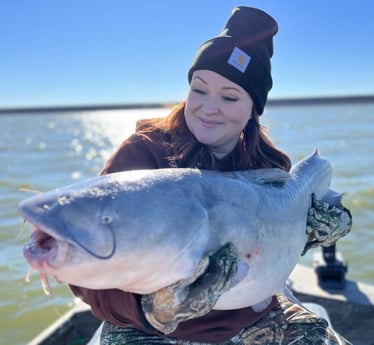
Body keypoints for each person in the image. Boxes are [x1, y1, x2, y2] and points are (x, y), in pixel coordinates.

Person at [70, 6, 352, 345]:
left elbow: (273, 253)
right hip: (144, 326)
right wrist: (151, 309)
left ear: (253, 109)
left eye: (230, 96)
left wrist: (312, 231)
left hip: (248, 315)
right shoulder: (142, 155)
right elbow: (83, 273)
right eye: (199, 89)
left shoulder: (272, 169)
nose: (208, 107)